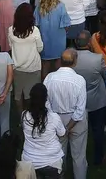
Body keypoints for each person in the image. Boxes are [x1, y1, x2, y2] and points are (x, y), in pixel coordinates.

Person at [43, 49, 88, 179]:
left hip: (55, 118)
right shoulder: (79, 80)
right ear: (75, 62)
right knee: (79, 156)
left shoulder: (49, 78)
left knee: (58, 154)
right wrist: (69, 127)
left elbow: (46, 103)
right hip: (76, 121)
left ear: (60, 62)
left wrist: (56, 121)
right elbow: (80, 109)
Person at [73, 32, 106, 167]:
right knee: (98, 129)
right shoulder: (97, 58)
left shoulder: (71, 58)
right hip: (96, 100)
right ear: (89, 43)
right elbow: (105, 75)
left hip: (77, 100)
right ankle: (98, 158)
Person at [20, 83, 66, 174]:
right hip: (52, 161)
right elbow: (62, 134)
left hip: (29, 161)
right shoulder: (54, 117)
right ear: (46, 99)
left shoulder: (24, 115)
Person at [8, 3, 43, 106]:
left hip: (17, 68)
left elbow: (11, 46)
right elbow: (40, 48)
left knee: (18, 95)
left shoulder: (11, 30)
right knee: (32, 94)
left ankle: (21, 118)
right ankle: (31, 117)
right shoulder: (35, 30)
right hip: (33, 67)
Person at [35, 0, 71, 77]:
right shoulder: (61, 6)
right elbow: (66, 25)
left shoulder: (39, 8)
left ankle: (44, 86)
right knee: (58, 65)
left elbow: (36, 25)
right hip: (59, 40)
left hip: (44, 41)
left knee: (45, 65)